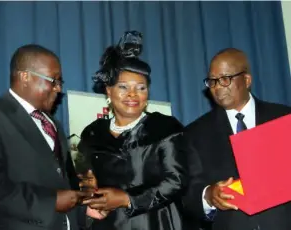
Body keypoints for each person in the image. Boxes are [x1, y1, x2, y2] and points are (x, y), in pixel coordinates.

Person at [0, 44, 104, 230]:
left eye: (60, 82)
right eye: (53, 81)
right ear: (25, 77)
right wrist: (51, 202)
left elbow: (65, 187)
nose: (59, 89)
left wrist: (85, 210)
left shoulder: (54, 125)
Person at [76, 31, 189, 230]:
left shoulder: (164, 128)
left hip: (157, 222)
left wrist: (127, 199)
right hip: (109, 224)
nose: (132, 94)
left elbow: (176, 180)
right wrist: (90, 199)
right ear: (108, 91)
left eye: (141, 88)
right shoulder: (93, 134)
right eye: (123, 87)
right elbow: (85, 178)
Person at [184, 48, 291, 230]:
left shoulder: (284, 118)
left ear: (247, 80)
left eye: (225, 79)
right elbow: (187, 193)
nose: (217, 87)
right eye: (212, 81)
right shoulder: (195, 133)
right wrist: (208, 196)